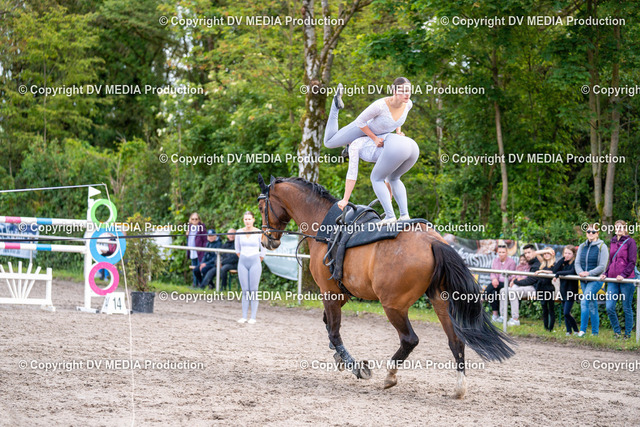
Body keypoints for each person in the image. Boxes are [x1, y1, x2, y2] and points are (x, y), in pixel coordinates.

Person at [325, 77, 419, 223]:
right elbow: (360, 121)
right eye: (404, 91)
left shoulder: (408, 104)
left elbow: (397, 120)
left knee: (389, 177)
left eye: (409, 91)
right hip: (362, 129)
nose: (407, 94)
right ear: (394, 91)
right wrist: (374, 138)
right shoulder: (380, 106)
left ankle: (400, 215)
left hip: (379, 135)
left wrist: (398, 132)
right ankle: (335, 106)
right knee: (329, 142)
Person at [600, 220, 637, 339]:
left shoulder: (630, 242)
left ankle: (628, 334)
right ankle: (617, 332)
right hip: (612, 279)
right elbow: (611, 260)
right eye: (617, 227)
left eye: (621, 227)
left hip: (626, 280)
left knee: (626, 307)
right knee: (609, 307)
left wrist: (623, 275)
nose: (619, 229)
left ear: (625, 229)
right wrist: (606, 273)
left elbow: (632, 261)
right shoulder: (613, 241)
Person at [575, 224, 608, 337]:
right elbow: (577, 263)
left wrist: (588, 273)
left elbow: (602, 266)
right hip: (584, 280)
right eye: (588, 231)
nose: (590, 233)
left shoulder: (602, 246)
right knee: (592, 305)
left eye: (593, 232)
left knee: (584, 301)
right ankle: (595, 333)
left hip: (595, 280)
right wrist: (580, 272)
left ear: (597, 233)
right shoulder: (582, 246)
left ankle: (582, 331)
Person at [235, 212, 266, 324]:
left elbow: (263, 250)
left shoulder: (259, 233)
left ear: (253, 220)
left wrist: (257, 260)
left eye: (249, 219)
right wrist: (244, 258)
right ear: (243, 220)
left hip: (255, 262)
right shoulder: (239, 232)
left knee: (253, 289)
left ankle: (253, 317)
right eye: (245, 219)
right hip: (242, 262)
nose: (247, 221)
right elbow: (237, 249)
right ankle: (244, 316)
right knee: (245, 290)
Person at [503, 244, 540, 326]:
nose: (527, 255)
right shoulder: (527, 263)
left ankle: (515, 319)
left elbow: (530, 281)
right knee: (503, 290)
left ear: (534, 252)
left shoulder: (536, 264)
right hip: (525, 286)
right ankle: (502, 317)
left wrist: (515, 281)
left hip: (535, 289)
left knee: (513, 292)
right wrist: (515, 280)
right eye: (525, 253)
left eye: (529, 252)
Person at [553, 245, 579, 335]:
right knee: (565, 313)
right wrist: (562, 259)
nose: (567, 255)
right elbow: (555, 270)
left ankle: (576, 330)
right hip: (563, 290)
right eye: (565, 253)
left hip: (571, 291)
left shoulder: (575, 263)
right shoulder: (564, 262)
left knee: (566, 312)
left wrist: (558, 273)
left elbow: (572, 272)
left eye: (569, 253)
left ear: (573, 254)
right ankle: (569, 331)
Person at [486, 245, 515, 322]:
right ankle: (495, 315)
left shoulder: (511, 262)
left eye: (503, 252)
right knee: (493, 292)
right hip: (496, 284)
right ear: (497, 252)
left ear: (507, 252)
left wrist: (498, 280)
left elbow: (512, 276)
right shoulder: (495, 261)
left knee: (493, 286)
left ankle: (483, 298)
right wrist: (494, 279)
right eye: (500, 252)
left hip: (506, 283)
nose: (501, 254)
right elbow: (492, 273)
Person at [535, 247, 558, 332]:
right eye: (545, 254)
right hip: (541, 287)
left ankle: (551, 328)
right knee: (544, 309)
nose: (546, 255)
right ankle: (545, 327)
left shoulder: (554, 264)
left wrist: (542, 271)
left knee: (551, 309)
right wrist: (546, 250)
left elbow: (553, 272)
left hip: (549, 288)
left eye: (548, 253)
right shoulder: (543, 263)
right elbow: (536, 253)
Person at [186, 212, 207, 287]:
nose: (194, 220)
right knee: (194, 268)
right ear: (190, 220)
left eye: (196, 219)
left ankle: (201, 284)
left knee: (199, 268)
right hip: (192, 251)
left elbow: (205, 240)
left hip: (199, 252)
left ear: (199, 220)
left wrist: (203, 250)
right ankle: (194, 284)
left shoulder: (202, 227)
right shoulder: (189, 227)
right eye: (193, 219)